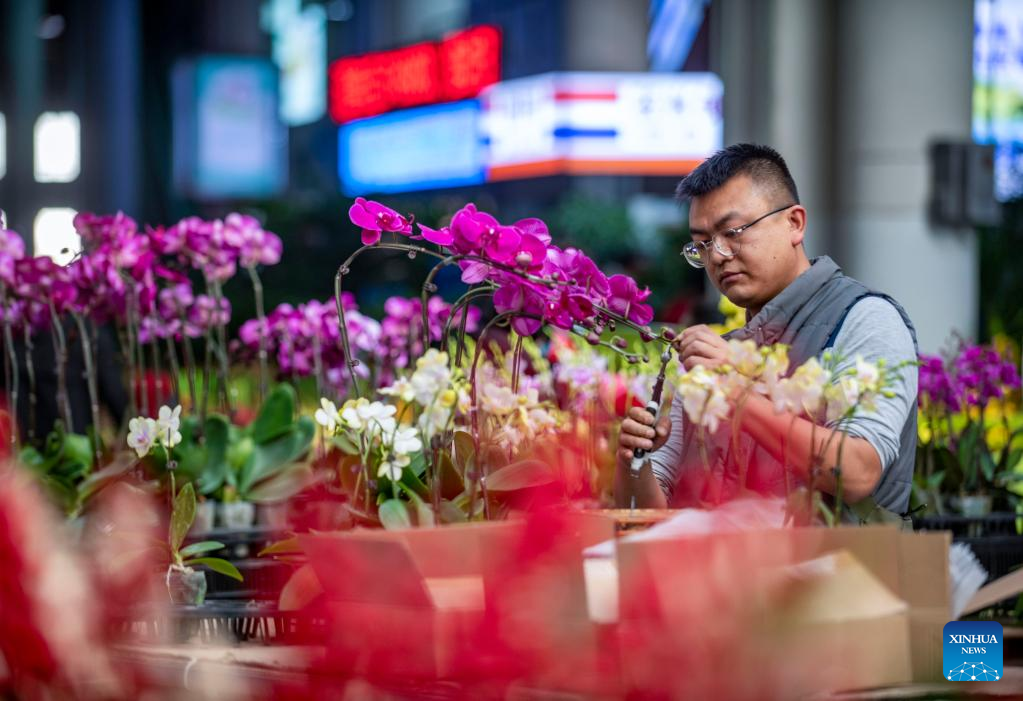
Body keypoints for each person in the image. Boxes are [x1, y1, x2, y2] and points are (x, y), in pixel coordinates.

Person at [616, 143, 919, 521]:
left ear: (794, 223)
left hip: (837, 577)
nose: (718, 256)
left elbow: (856, 473)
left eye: (733, 231)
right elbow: (652, 510)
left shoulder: (865, 318)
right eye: (702, 244)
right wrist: (636, 459)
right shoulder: (714, 358)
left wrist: (737, 391)